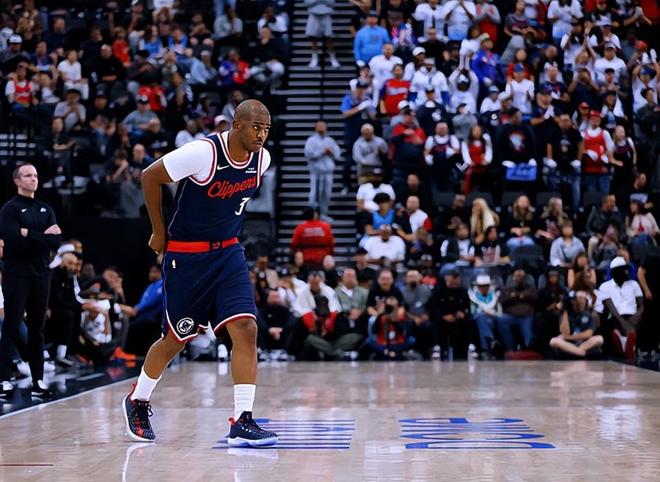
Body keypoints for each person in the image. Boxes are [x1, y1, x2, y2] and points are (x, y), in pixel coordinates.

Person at [123, 100, 278, 446]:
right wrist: (159, 231)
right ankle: (138, 398)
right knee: (176, 339)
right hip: (187, 256)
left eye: (266, 129)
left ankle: (242, 419)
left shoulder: (262, 160)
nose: (261, 135)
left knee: (246, 328)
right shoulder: (203, 153)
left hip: (228, 252)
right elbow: (150, 176)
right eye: (256, 127)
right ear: (237, 125)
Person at [0, 164, 62, 401]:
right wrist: (42, 237)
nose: (33, 179)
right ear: (17, 180)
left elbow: (55, 242)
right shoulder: (10, 209)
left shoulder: (46, 208)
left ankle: (38, 380)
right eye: (28, 175)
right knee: (11, 326)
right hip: (17, 274)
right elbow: (13, 241)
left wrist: (29, 233)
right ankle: (4, 379)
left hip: (41, 274)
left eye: (35, 175)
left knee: (37, 329)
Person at [596, 256, 644, 359]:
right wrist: (623, 322)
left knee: (637, 322)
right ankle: (629, 346)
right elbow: (609, 308)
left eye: (626, 269)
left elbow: (641, 305)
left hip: (633, 315)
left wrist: (637, 316)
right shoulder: (605, 286)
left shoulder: (634, 284)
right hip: (616, 316)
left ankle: (624, 346)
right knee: (620, 325)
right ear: (614, 272)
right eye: (622, 270)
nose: (626, 272)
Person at [304, 121, 341, 221]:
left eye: (323, 126)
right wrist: (322, 152)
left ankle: (323, 214)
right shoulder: (311, 140)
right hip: (316, 171)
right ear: (315, 127)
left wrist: (331, 152)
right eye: (319, 126)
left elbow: (338, 154)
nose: (321, 128)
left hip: (328, 172)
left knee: (326, 194)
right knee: (314, 193)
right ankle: (311, 215)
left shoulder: (330, 140)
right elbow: (308, 154)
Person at [549, 291, 604, 357]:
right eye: (578, 299)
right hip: (569, 343)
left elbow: (588, 334)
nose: (580, 302)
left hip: (584, 343)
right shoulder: (566, 314)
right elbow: (565, 332)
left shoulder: (590, 314)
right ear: (573, 301)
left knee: (599, 339)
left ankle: (574, 351)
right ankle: (581, 353)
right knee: (554, 341)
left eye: (583, 300)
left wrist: (569, 337)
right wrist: (565, 310)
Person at [499, 268, 537, 351]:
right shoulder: (507, 290)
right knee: (501, 320)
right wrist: (521, 297)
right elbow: (502, 301)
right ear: (513, 277)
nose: (519, 278)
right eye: (517, 276)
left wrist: (517, 296)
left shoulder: (531, 289)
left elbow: (534, 298)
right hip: (511, 316)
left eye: (521, 276)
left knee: (528, 332)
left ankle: (529, 350)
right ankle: (510, 348)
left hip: (526, 316)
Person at [468, 274, 501, 358]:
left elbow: (499, 311)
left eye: (486, 286)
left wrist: (491, 313)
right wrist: (483, 311)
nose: (483, 288)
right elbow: (472, 311)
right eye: (481, 286)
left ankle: (485, 348)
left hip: (493, 318)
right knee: (481, 318)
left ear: (489, 286)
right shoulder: (473, 296)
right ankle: (491, 340)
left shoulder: (494, 295)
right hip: (477, 318)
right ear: (478, 286)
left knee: (484, 323)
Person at [305, 0, 340, 68]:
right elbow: (307, 3)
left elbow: (332, 3)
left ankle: (333, 58)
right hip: (313, 15)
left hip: (326, 15)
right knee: (314, 39)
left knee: (328, 38)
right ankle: (314, 59)